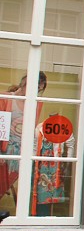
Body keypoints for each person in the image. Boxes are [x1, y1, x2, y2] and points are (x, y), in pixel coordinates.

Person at [1, 72, 47, 204]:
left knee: (8, 184)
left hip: (22, 152)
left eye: (39, 89)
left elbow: (31, 129)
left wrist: (32, 152)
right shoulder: (6, 98)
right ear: (25, 83)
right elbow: (1, 126)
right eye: (36, 87)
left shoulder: (36, 103)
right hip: (5, 150)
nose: (37, 91)